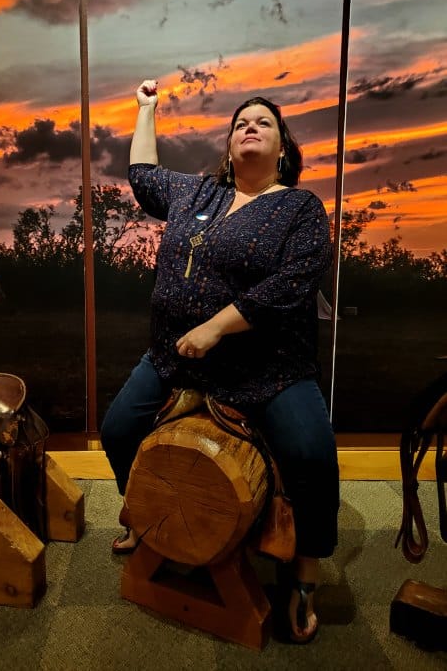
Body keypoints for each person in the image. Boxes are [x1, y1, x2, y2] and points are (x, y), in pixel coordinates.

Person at [101, 79, 340, 644]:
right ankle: (141, 514)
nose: (249, 126)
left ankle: (305, 571)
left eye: (263, 121)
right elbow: (141, 176)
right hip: (174, 357)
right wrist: (146, 110)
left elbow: (294, 283)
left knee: (310, 451)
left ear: (282, 147)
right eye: (240, 123)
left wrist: (215, 327)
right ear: (229, 147)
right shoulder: (196, 194)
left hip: (267, 366)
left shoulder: (299, 208)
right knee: (116, 431)